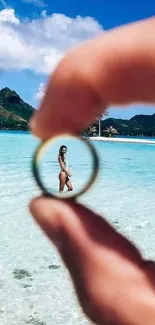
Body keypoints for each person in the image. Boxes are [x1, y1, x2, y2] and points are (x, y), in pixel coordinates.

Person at [30, 17, 155, 325]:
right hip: (63, 175)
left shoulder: (61, 156)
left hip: (63, 174)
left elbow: (62, 163)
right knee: (62, 193)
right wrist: (67, 171)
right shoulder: (61, 158)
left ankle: (64, 201)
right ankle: (65, 200)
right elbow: (61, 164)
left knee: (61, 197)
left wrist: (67, 171)